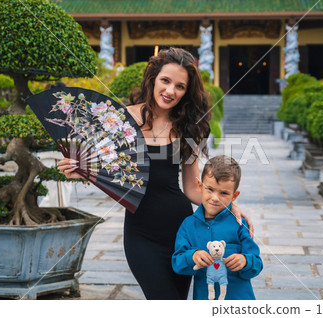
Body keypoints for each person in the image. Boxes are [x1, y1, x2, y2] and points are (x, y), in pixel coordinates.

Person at [58, 47, 254, 299]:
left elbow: (193, 189)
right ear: (153, 79)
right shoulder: (121, 120)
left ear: (187, 91)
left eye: (180, 86)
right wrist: (81, 172)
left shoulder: (187, 127)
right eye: (165, 80)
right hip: (140, 233)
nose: (171, 91)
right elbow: (112, 177)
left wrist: (230, 206)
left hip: (181, 231)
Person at [172, 155, 262, 300]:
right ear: (200, 187)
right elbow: (177, 263)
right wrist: (193, 256)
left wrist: (245, 261)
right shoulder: (188, 225)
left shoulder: (239, 224)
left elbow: (257, 263)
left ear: (234, 196)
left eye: (224, 193)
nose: (215, 198)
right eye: (210, 189)